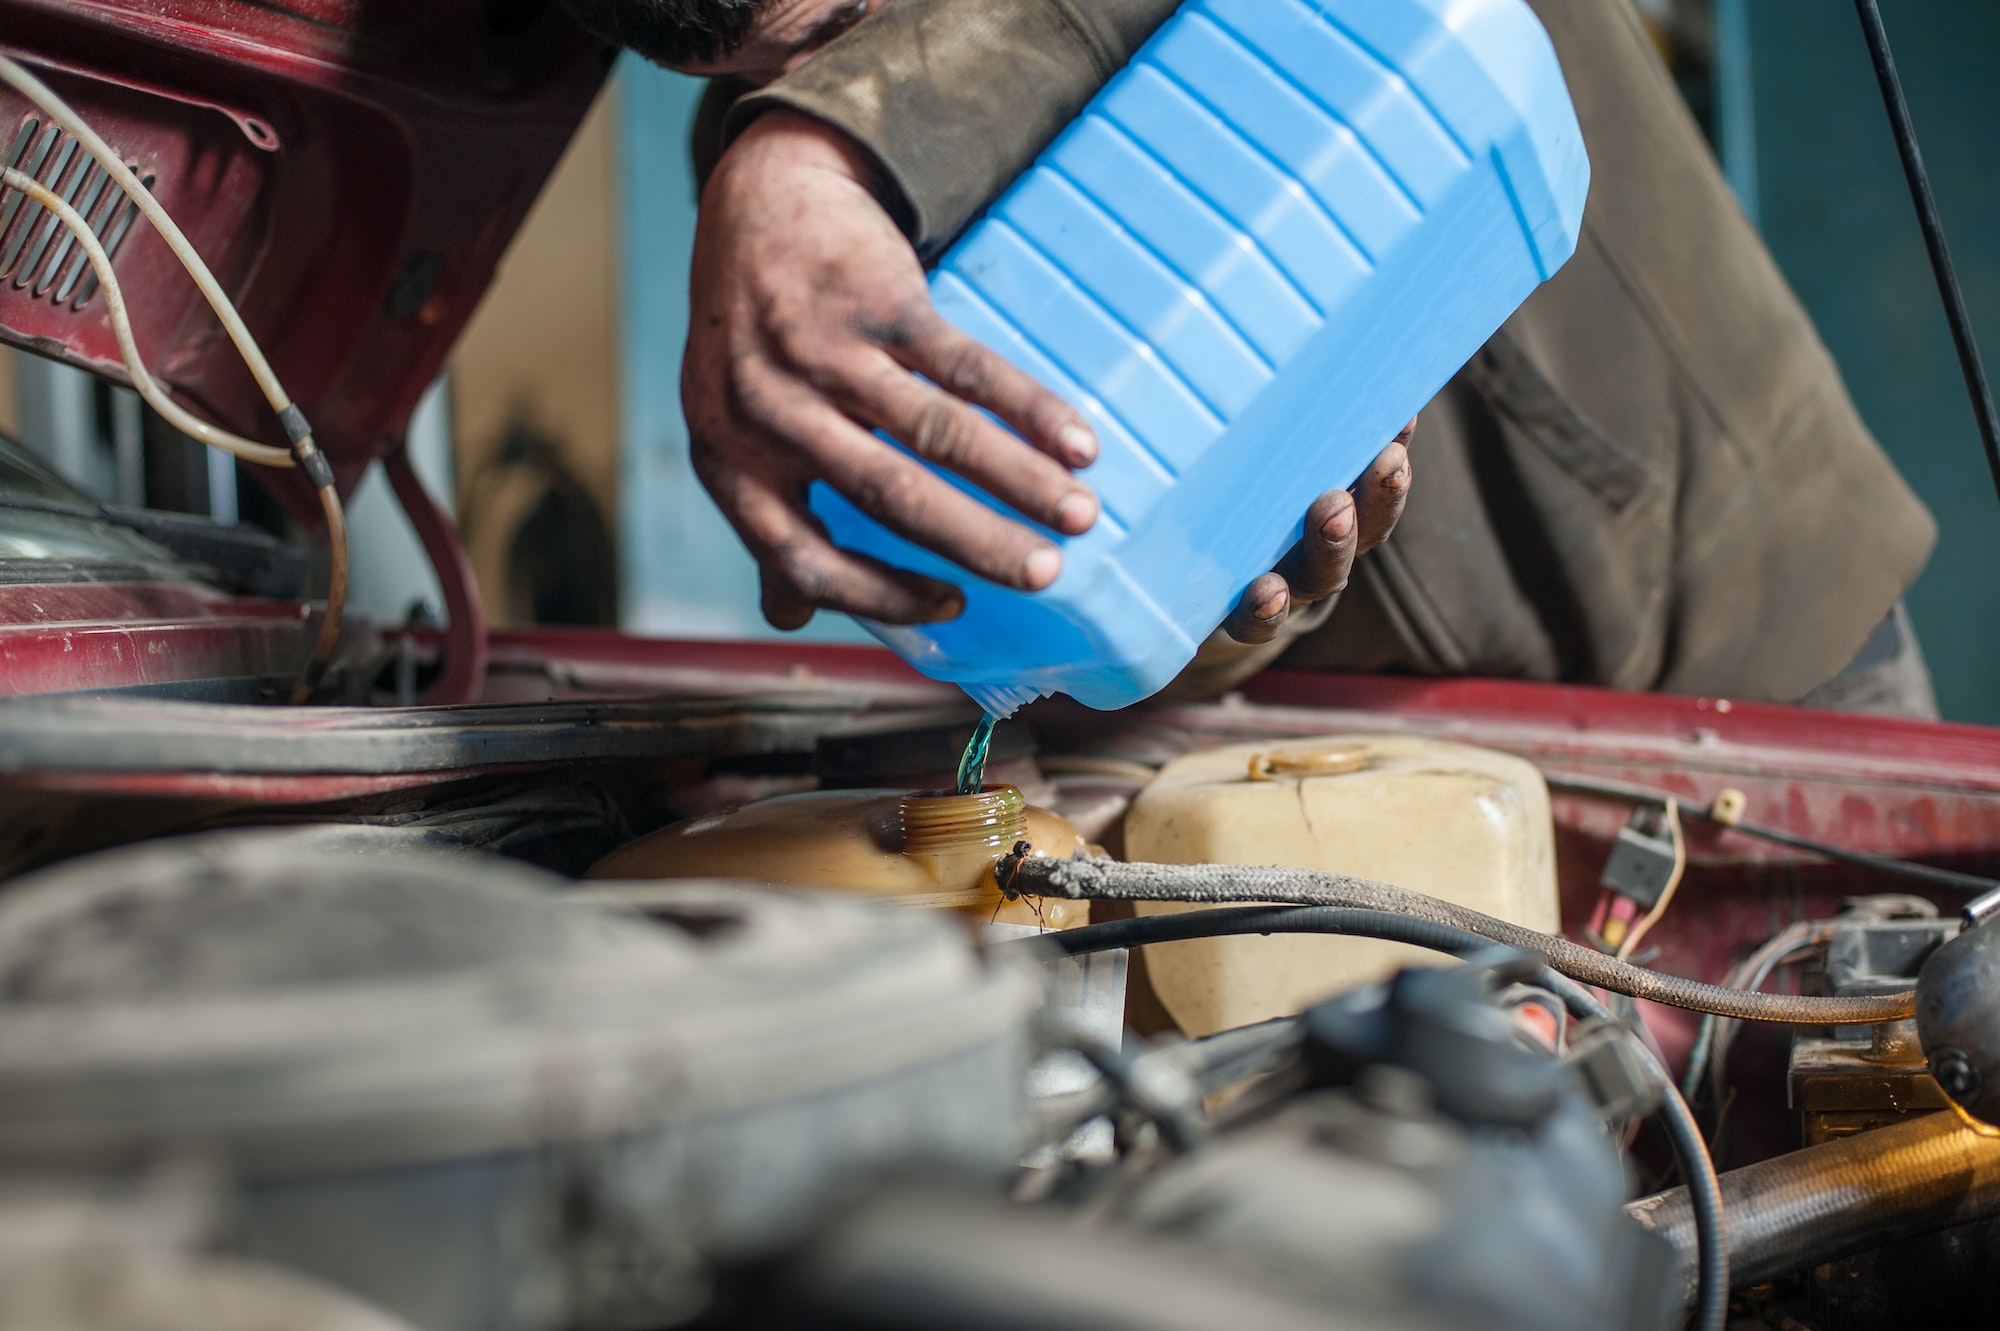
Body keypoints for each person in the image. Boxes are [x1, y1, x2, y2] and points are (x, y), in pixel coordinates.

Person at [560, 0, 1940, 718]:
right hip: (1360, 751)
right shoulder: (788, 213)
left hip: (1745, 652)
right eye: (764, 71)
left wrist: (820, 144)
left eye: (863, 14)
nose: (864, 52)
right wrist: (1211, 624)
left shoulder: (806, 167)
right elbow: (1132, 605)